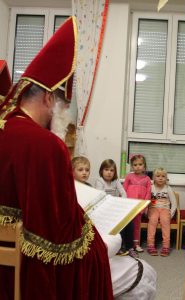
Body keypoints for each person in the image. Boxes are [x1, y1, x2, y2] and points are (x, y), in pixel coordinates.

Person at [0, 17, 113, 300]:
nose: (65, 114)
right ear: (49, 98)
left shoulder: (6, 126)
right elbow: (61, 237)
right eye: (64, 104)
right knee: (115, 254)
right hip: (27, 273)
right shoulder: (45, 144)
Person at [72, 156, 157, 300]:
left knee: (127, 219)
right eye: (80, 170)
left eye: (87, 170)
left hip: (104, 209)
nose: (85, 172)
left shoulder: (90, 185)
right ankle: (117, 247)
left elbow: (121, 193)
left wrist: (122, 203)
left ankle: (129, 247)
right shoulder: (82, 185)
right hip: (91, 218)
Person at [123, 154, 151, 253]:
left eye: (140, 164)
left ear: (144, 165)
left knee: (136, 226)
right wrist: (122, 203)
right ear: (132, 166)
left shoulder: (147, 179)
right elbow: (123, 190)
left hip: (139, 206)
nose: (138, 166)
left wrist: (144, 206)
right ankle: (127, 244)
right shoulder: (129, 176)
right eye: (135, 165)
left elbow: (148, 194)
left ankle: (136, 244)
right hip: (128, 205)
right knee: (127, 225)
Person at [147, 167, 177, 257]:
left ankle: (166, 246)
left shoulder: (168, 188)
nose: (160, 178)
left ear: (166, 178)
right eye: (158, 176)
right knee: (153, 220)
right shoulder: (150, 188)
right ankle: (150, 245)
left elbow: (174, 203)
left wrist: (171, 214)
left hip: (165, 209)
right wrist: (146, 211)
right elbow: (146, 200)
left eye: (163, 176)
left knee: (165, 221)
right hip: (153, 208)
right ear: (154, 178)